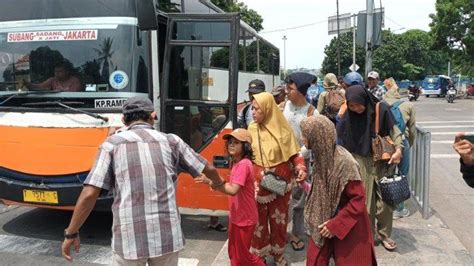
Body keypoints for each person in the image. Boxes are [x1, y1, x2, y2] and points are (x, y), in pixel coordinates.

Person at [61, 97, 226, 265]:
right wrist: (219, 184)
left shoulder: (111, 145)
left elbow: (89, 194)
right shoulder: (172, 141)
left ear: (124, 119)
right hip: (167, 237)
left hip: (129, 241)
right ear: (152, 116)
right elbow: (210, 169)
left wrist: (71, 233)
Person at [301, 116, 376, 265]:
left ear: (317, 136)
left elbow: (358, 200)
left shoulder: (344, 163)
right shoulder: (322, 156)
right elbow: (323, 189)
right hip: (322, 220)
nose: (302, 138)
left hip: (348, 224)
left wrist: (335, 224)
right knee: (315, 260)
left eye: (305, 135)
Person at [336, 84, 403, 251]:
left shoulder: (381, 109)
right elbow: (341, 141)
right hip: (359, 161)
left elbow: (395, 132)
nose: (356, 109)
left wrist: (399, 150)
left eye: (358, 104)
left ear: (365, 100)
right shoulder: (347, 116)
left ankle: (385, 234)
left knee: (386, 202)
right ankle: (369, 234)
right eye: (351, 106)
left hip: (382, 161)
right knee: (365, 203)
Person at [248, 92, 307, 266]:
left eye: (257, 109)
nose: (253, 112)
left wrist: (300, 167)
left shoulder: (283, 129)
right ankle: (260, 255)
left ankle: (278, 255)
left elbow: (295, 154)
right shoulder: (251, 129)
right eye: (252, 108)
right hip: (258, 187)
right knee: (258, 224)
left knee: (279, 222)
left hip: (280, 187)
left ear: (267, 109)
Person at [196, 129, 265, 266]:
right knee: (234, 254)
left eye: (236, 142)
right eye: (230, 142)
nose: (231, 145)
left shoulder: (243, 165)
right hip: (237, 217)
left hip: (244, 219)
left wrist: (212, 182)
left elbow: (233, 190)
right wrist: (212, 182)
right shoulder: (237, 163)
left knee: (243, 257)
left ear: (245, 146)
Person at [282, 72, 318, 251]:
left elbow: (313, 142)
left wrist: (297, 156)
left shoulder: (312, 112)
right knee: (278, 196)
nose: (287, 91)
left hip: (301, 162)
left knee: (298, 200)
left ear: (302, 92)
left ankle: (296, 233)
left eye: (290, 88)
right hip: (281, 160)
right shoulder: (283, 107)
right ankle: (279, 232)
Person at [383, 78, 416, 218]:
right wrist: (409, 144)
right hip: (402, 142)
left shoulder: (381, 104)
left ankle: (385, 206)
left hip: (385, 144)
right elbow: (412, 129)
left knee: (385, 174)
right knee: (402, 174)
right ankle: (400, 208)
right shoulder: (408, 105)